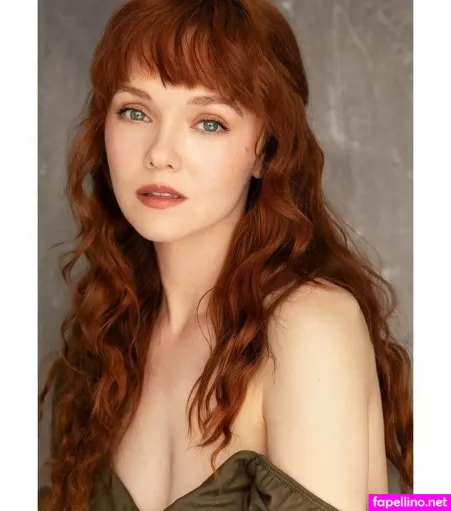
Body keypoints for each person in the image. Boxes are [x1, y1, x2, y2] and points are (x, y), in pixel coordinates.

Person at [38, 0, 413, 510]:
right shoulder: (103, 343)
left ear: (266, 150)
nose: (160, 152)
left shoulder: (308, 329)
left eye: (209, 122)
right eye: (135, 111)